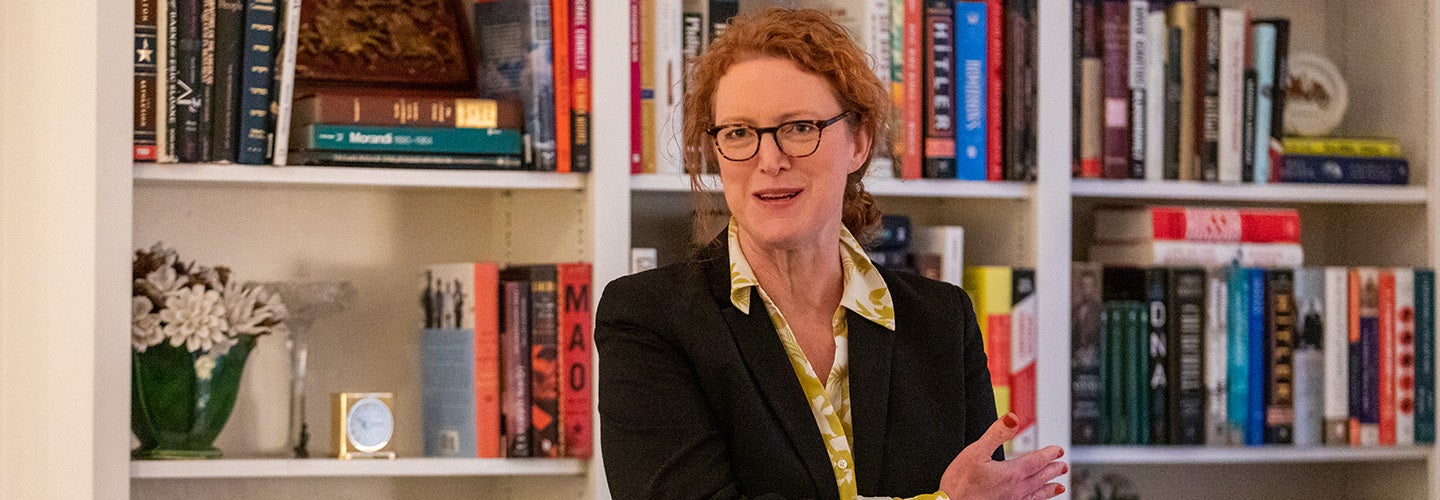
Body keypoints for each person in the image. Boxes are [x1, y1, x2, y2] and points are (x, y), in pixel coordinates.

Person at [596, 8, 1067, 500]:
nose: (770, 160)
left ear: (859, 142)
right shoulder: (648, 317)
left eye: (800, 127)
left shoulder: (942, 320)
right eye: (738, 133)